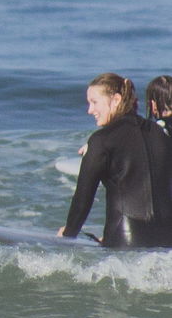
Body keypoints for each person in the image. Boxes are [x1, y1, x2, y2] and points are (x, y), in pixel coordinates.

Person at [59, 73, 172, 248]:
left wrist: (67, 234)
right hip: (167, 240)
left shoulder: (101, 140)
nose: (90, 110)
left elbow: (83, 198)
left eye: (94, 102)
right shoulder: (162, 135)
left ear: (116, 100)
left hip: (126, 239)